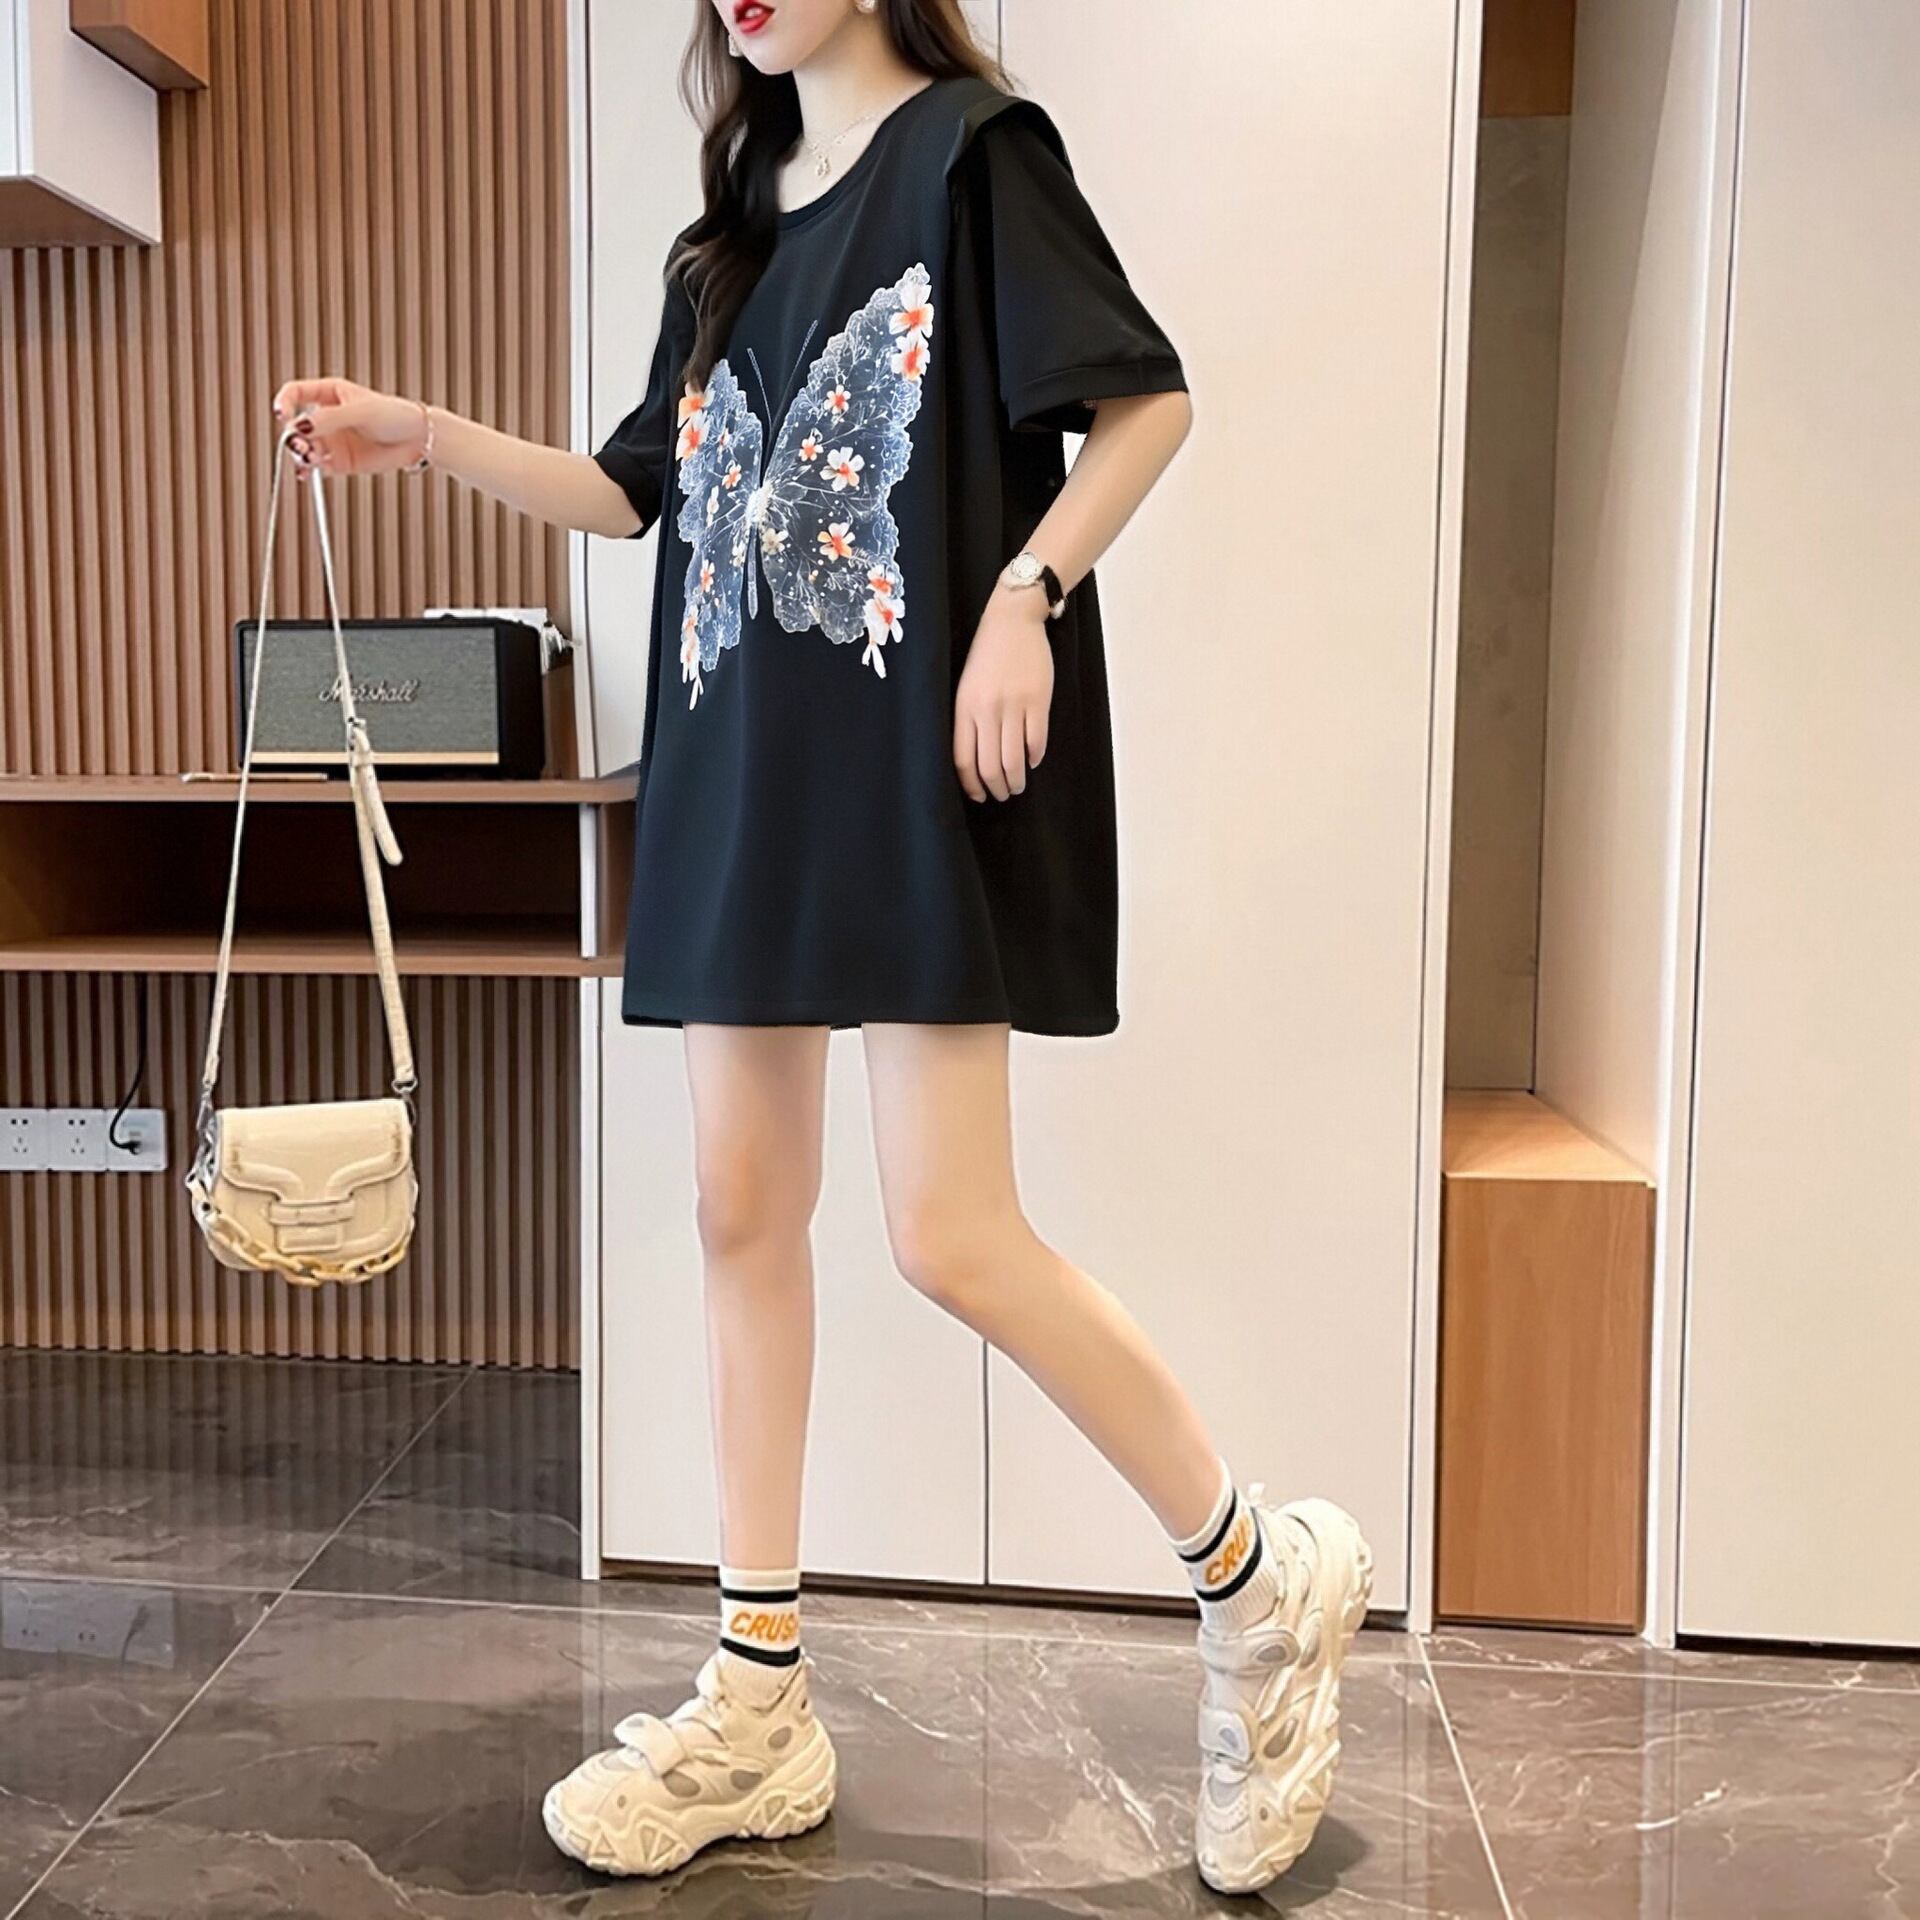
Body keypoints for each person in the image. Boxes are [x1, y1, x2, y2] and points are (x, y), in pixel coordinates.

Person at [274, 0, 1371, 1896]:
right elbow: (639, 492)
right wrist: (424, 438)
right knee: (738, 1207)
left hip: (903, 764)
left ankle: (1260, 1579)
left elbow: (1147, 400)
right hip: (741, 768)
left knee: (951, 1232)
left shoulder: (972, 155)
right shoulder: (729, 235)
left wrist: (1026, 594)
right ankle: (759, 1693)